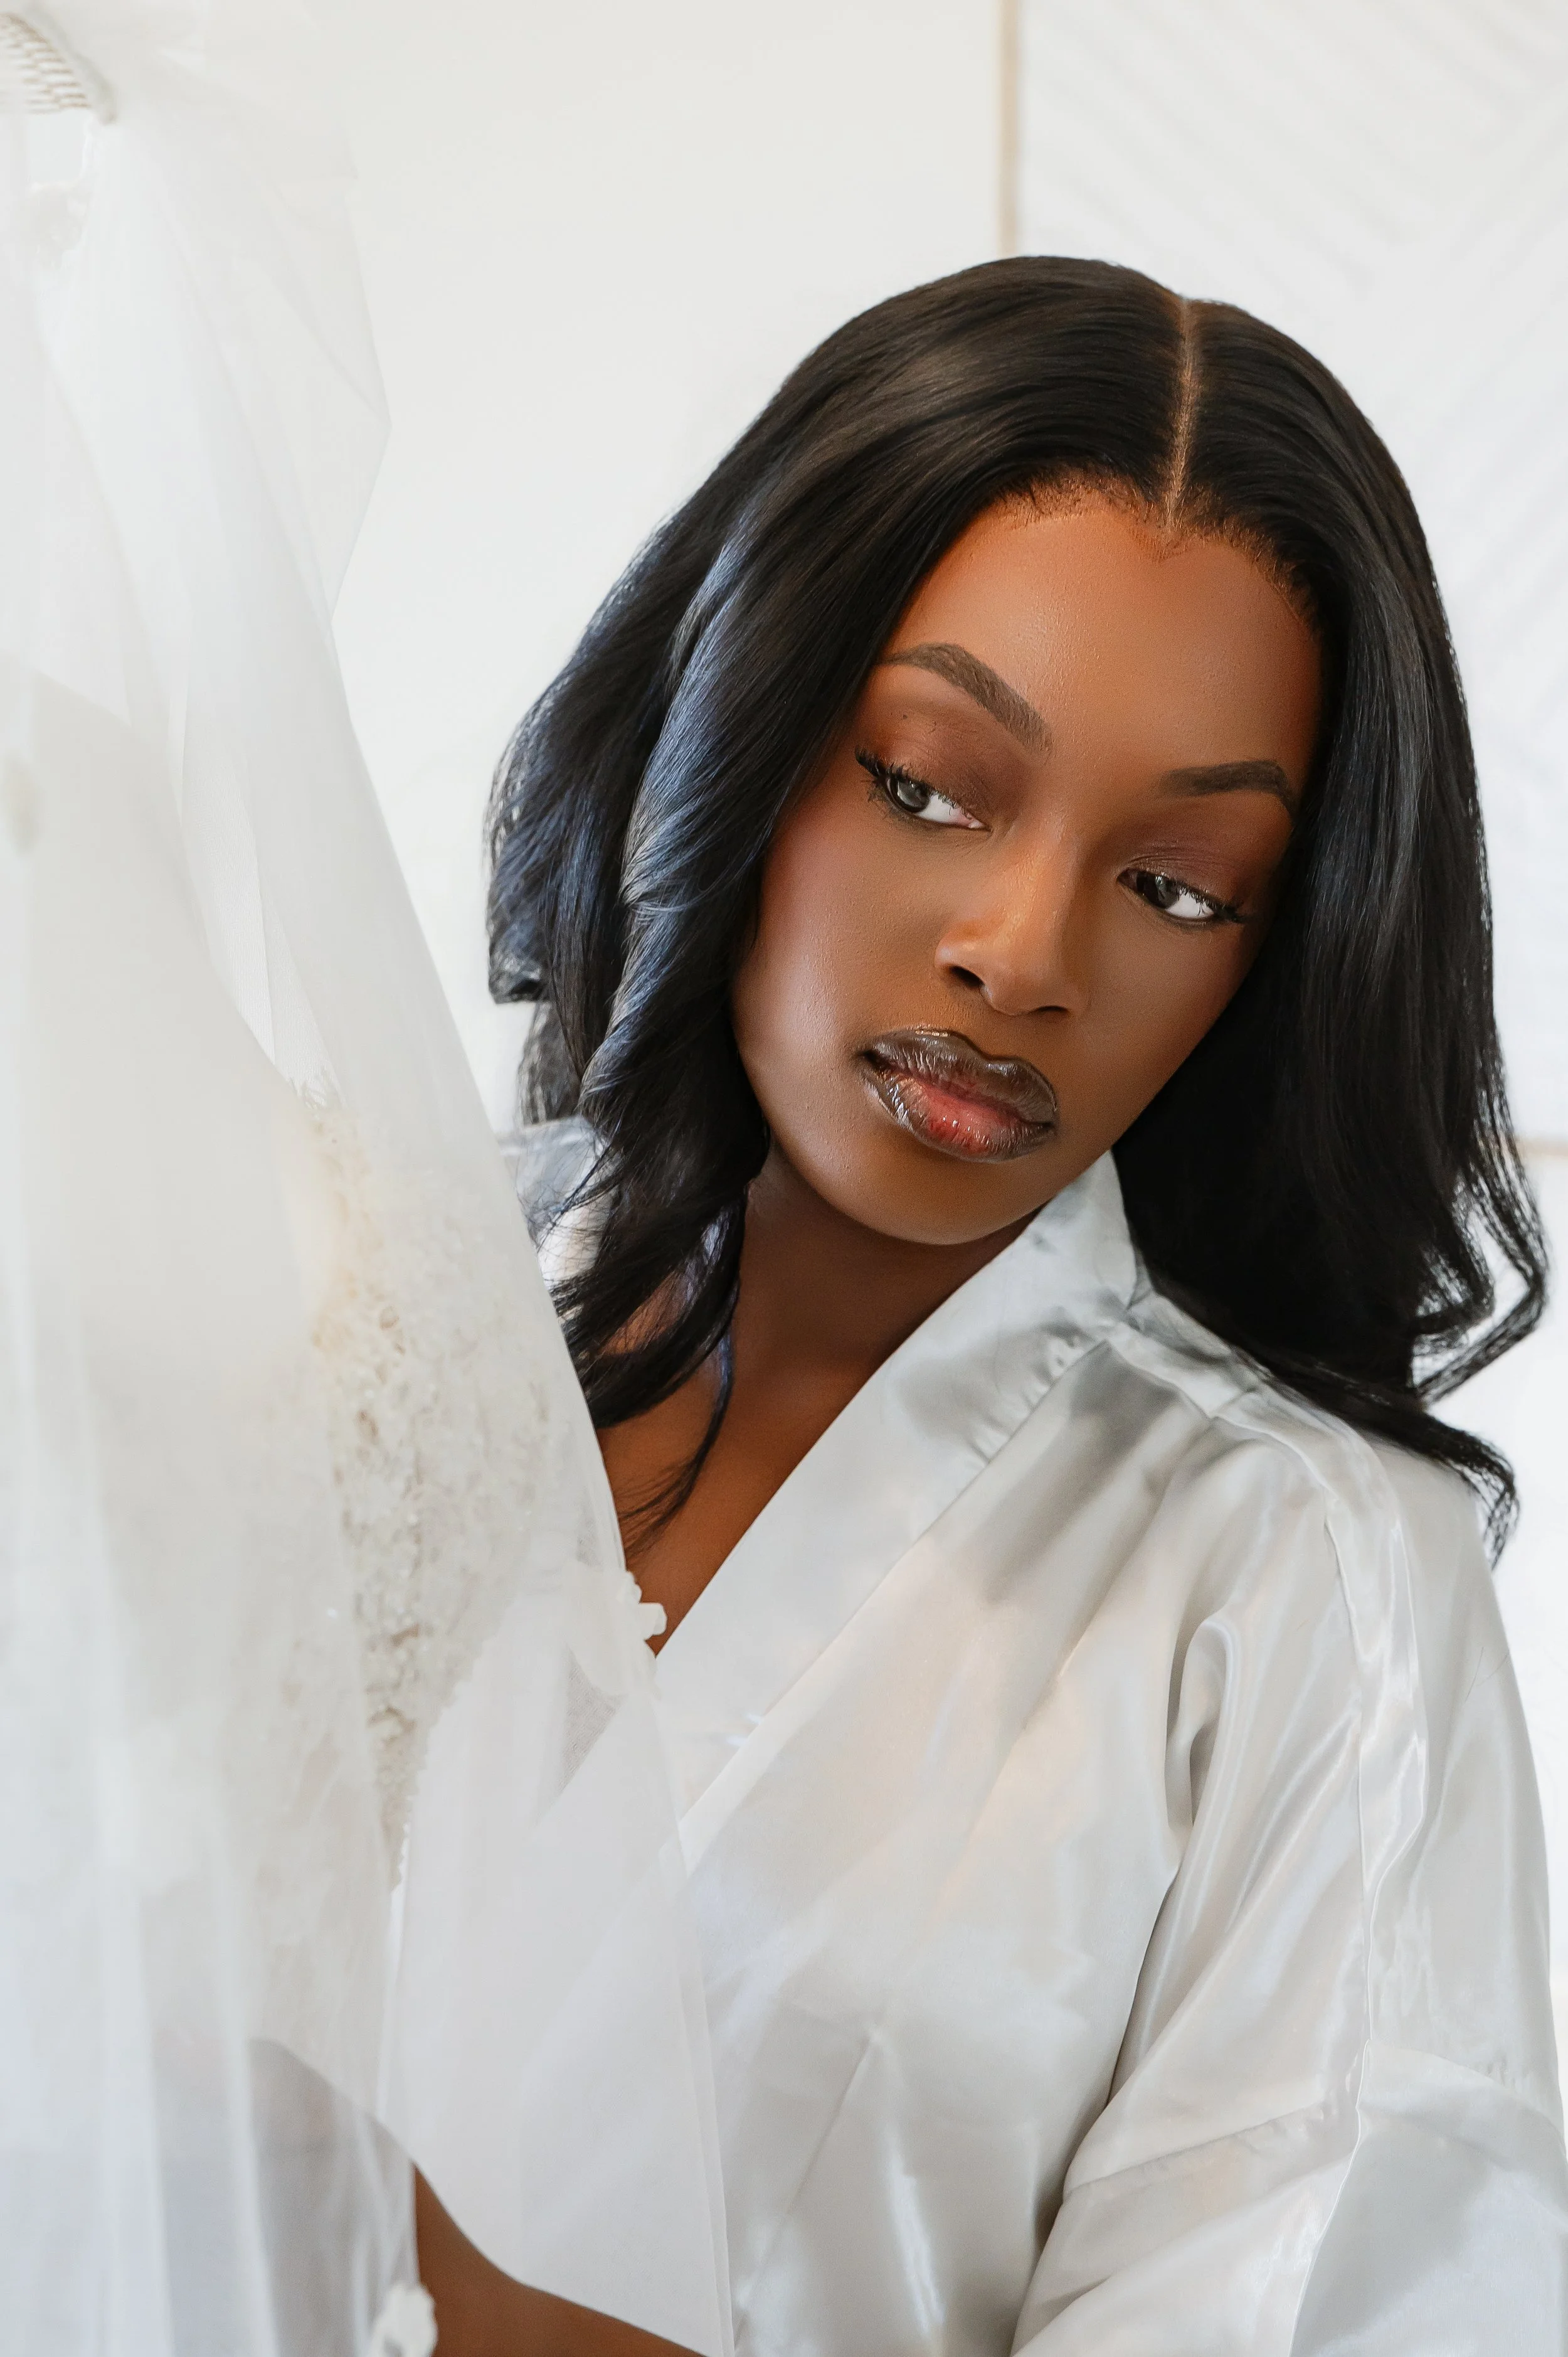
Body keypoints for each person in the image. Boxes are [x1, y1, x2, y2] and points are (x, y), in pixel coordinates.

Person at [418, 258, 1567, 2353]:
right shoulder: (370, 1313)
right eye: (929, 783)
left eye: (1176, 883)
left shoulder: (1306, 1580)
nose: (1019, 950)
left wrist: (441, 2291)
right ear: (740, 725)